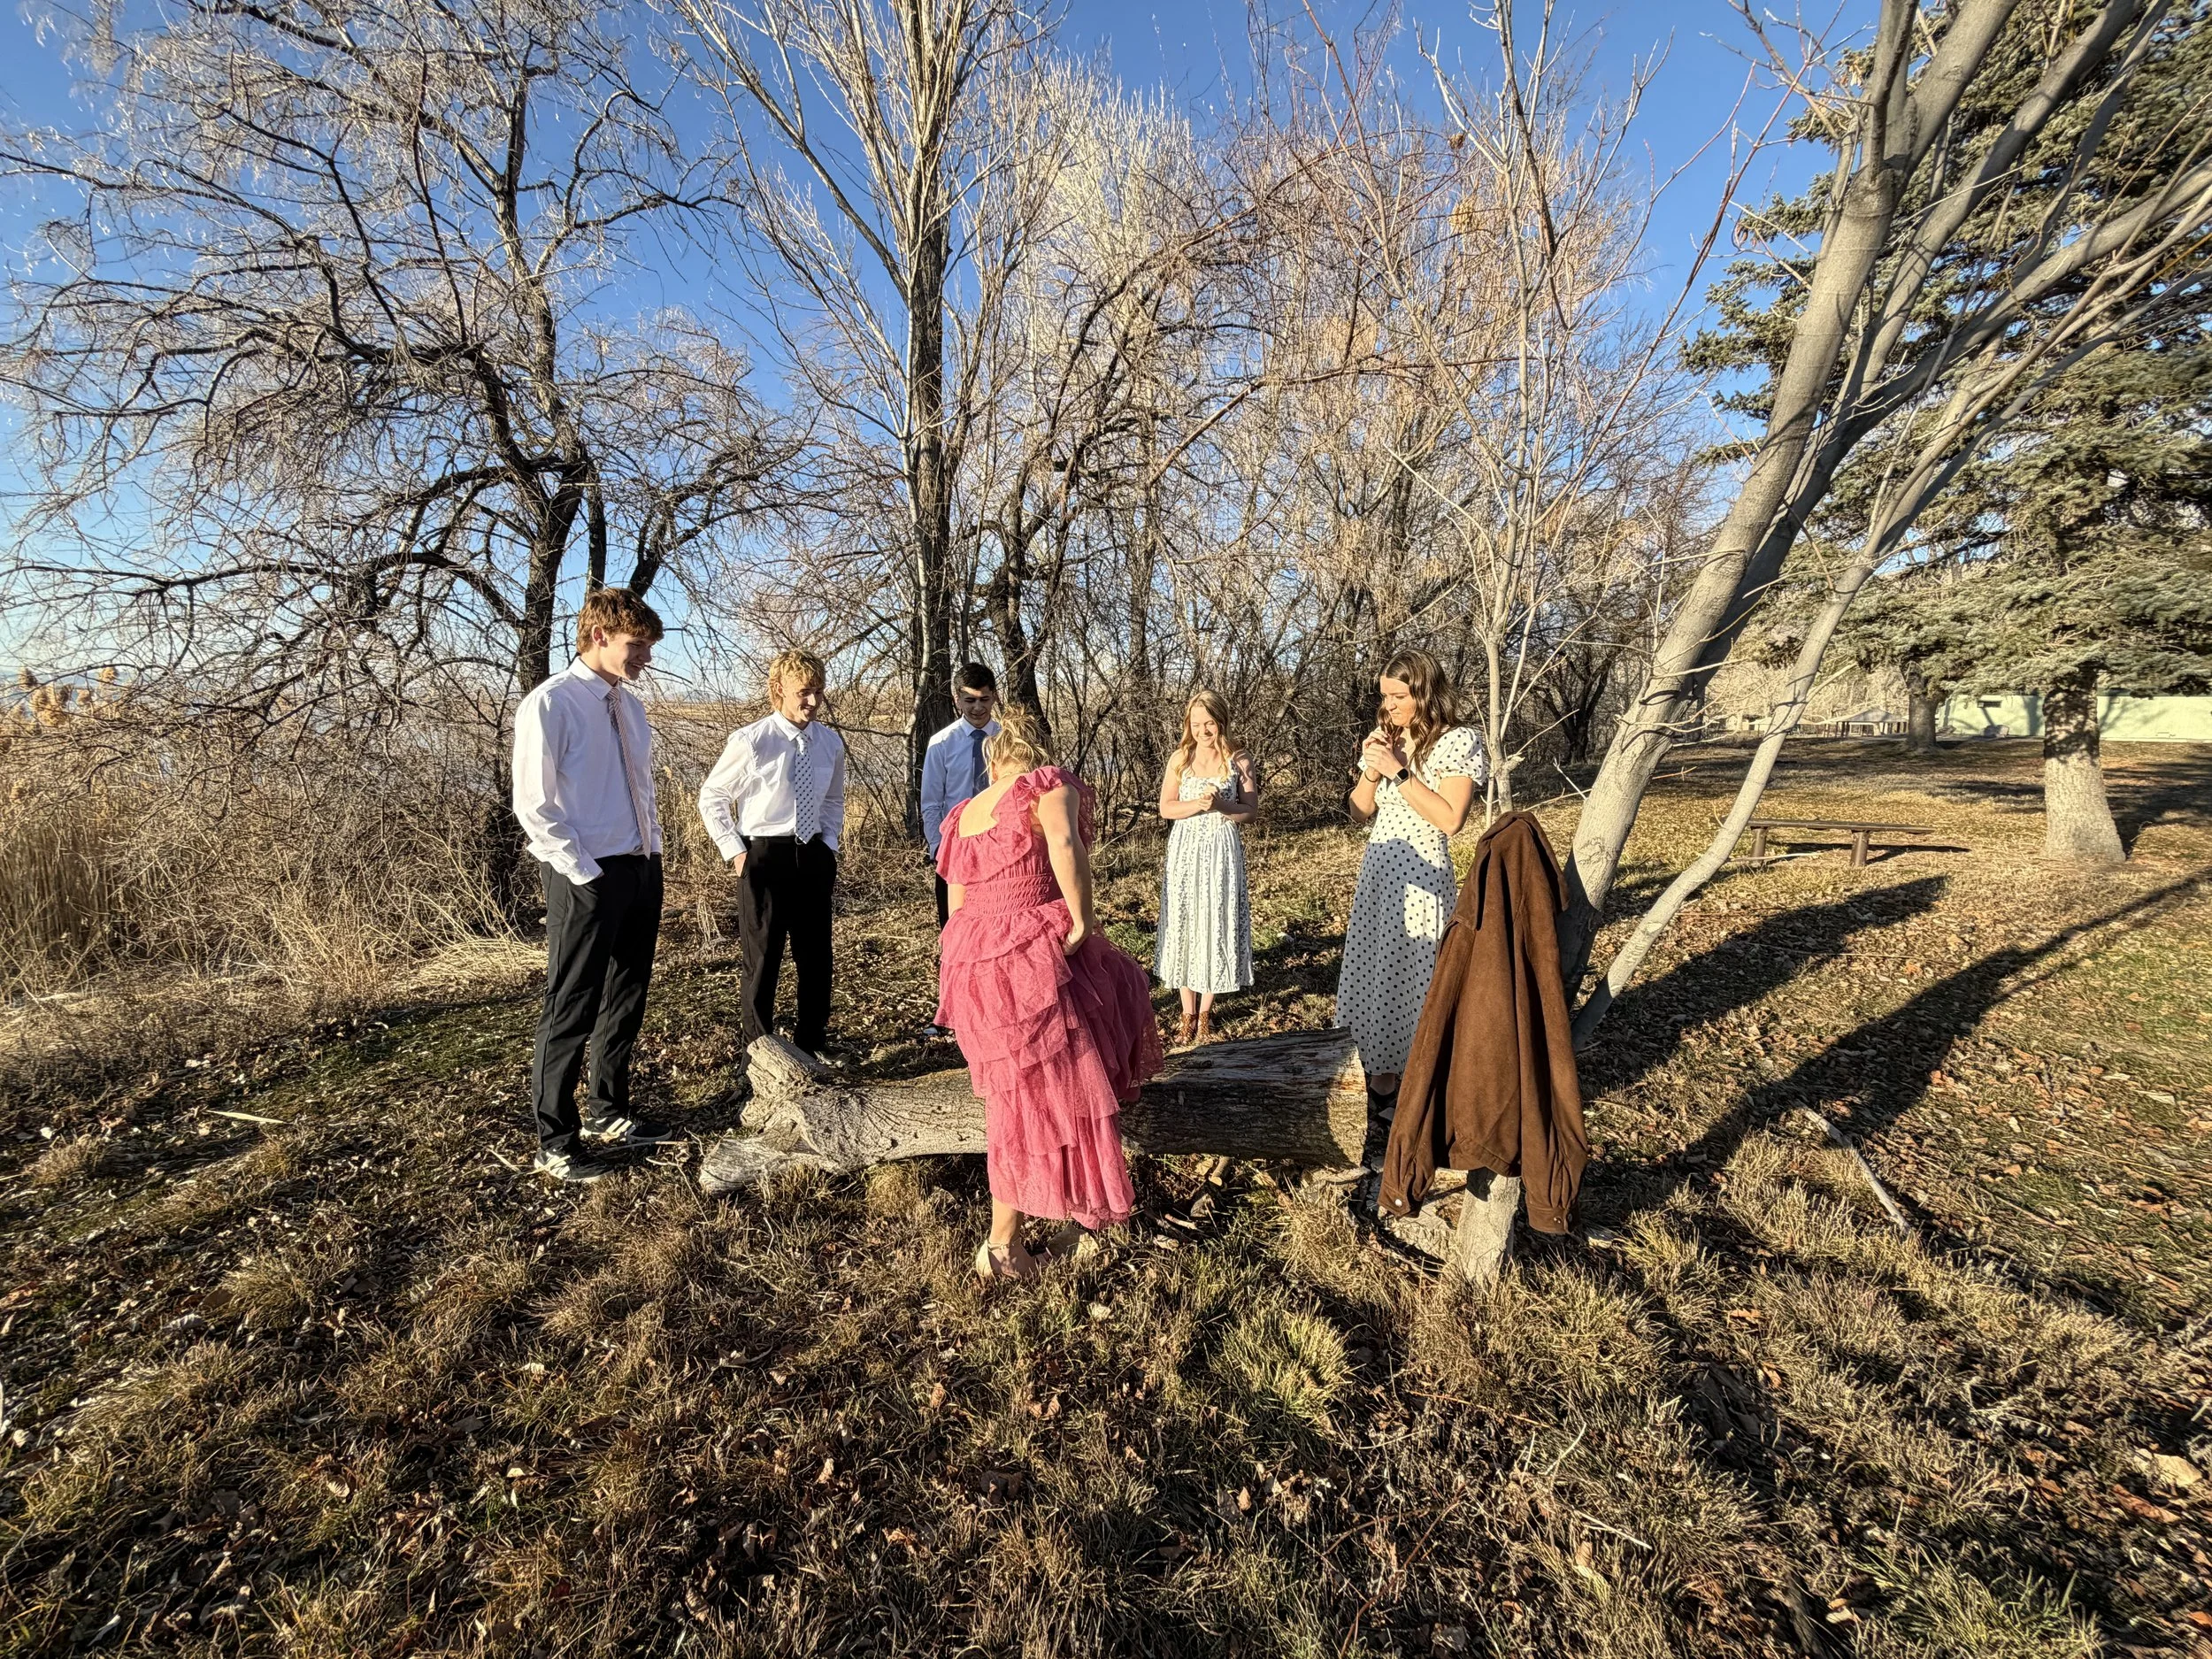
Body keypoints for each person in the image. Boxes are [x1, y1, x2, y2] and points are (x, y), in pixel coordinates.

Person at [934, 707, 1164, 1282]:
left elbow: (956, 907)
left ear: (993, 760)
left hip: (976, 964)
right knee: (1063, 1079)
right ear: (1037, 753)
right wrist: (1082, 919)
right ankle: (1006, 1243)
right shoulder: (1045, 784)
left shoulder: (963, 814)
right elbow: (1063, 841)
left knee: (1024, 1095)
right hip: (1032, 951)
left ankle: (1052, 1222)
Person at [511, 587, 679, 1183]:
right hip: (585, 873)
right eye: (638, 645)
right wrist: (584, 872)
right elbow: (533, 805)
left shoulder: (628, 707)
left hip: (639, 867)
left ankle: (609, 1111)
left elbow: (640, 790)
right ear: (599, 636)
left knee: (626, 994)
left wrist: (652, 857)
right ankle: (554, 1140)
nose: (646, 658)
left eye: (649, 646)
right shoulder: (551, 703)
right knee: (572, 1002)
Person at [1337, 649, 1487, 1110]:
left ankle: (1422, 1084)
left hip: (1423, 871)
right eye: (1385, 697)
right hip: (1380, 875)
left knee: (1416, 976)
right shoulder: (1389, 737)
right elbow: (1358, 811)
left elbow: (1450, 819)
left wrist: (1399, 771)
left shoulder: (1457, 741)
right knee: (1375, 972)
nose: (1389, 706)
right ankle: (1381, 1082)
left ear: (1424, 692)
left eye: (1398, 696)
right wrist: (1371, 769)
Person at [698, 648, 848, 1060]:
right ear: (778, 689)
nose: (813, 702)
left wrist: (829, 845)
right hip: (765, 855)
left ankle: (811, 1043)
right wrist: (735, 851)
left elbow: (833, 800)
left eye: (819, 692)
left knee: (816, 956)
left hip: (813, 855)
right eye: (804, 692)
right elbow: (712, 796)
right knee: (763, 957)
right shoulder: (752, 741)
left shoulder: (829, 742)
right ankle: (760, 1051)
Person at [1155, 688, 1257, 1047]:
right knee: (1185, 921)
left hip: (1221, 850)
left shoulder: (1239, 759)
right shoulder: (1180, 758)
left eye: (1209, 723)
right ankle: (1186, 1012)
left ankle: (1205, 1015)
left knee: (1215, 920)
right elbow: (1166, 807)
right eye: (1196, 724)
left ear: (1221, 722)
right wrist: (1196, 806)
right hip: (1185, 850)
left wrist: (1220, 806)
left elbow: (1250, 812)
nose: (1203, 731)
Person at [917, 662, 1001, 1038]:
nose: (978, 708)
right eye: (970, 700)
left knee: (997, 932)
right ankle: (951, 1012)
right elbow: (931, 802)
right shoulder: (943, 743)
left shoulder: (1006, 741)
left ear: (994, 697)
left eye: (984, 699)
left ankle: (994, 1006)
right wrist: (940, 849)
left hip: (1000, 852)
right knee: (954, 932)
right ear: (957, 700)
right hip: (957, 852)